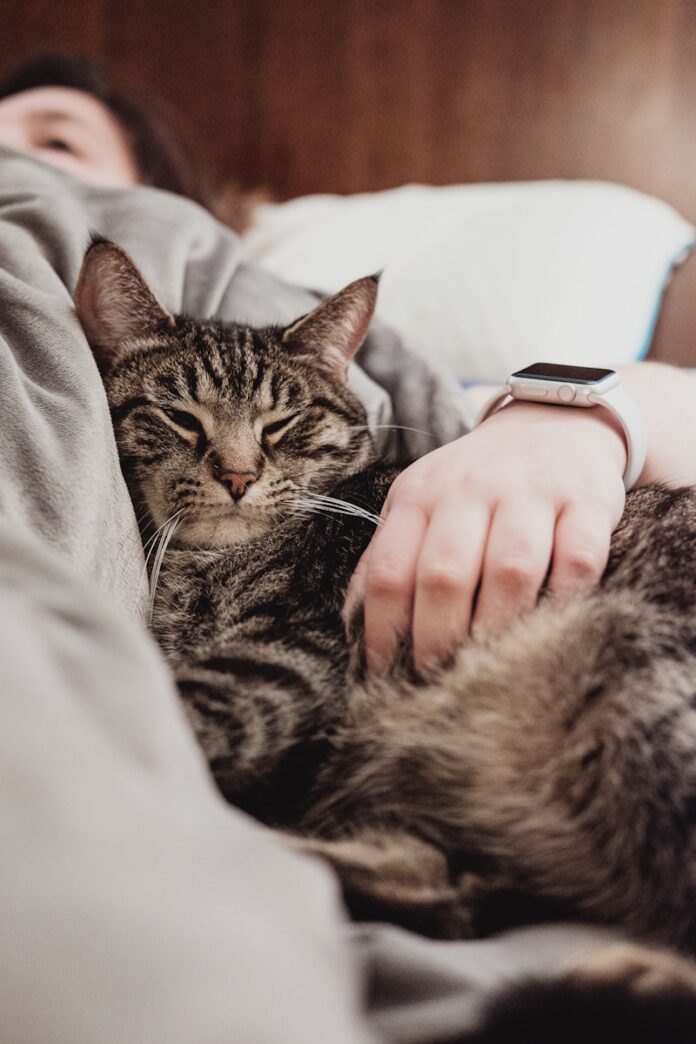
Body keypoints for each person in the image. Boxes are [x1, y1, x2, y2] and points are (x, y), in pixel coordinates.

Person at [0, 52, 693, 1043]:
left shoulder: (338, 374)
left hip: (577, 651)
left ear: (154, 188)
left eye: (56, 137)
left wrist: (571, 416)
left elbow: (669, 403)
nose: (241, 471)